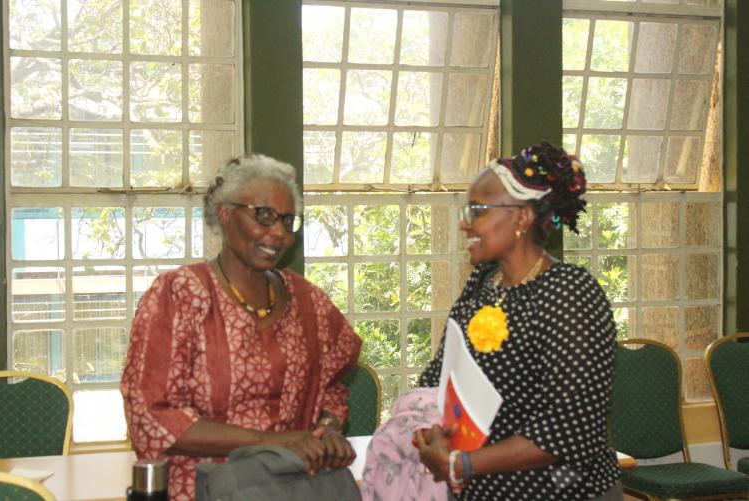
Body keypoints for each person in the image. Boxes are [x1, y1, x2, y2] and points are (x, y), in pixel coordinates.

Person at [120, 154, 363, 501]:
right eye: (263, 216)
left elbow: (332, 388)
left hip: (296, 485)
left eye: (287, 221)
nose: (278, 233)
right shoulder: (179, 295)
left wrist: (326, 429)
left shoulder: (310, 302)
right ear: (225, 214)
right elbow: (151, 415)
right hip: (202, 488)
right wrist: (270, 441)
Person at [413, 141, 622, 500]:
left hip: (559, 491)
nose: (466, 225)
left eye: (477, 210)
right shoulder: (482, 284)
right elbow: (440, 375)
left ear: (522, 218)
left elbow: (570, 430)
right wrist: (424, 429)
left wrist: (463, 464)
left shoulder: (570, 293)